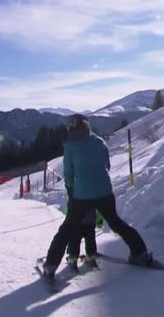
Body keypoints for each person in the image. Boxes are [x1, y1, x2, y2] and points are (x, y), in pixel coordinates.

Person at [42, 114, 152, 279]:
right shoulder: (99, 142)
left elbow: (69, 175)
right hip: (104, 192)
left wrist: (72, 192)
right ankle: (140, 253)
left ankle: (50, 265)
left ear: (71, 129)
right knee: (116, 223)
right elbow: (107, 165)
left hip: (81, 195)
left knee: (67, 229)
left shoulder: (70, 147)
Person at [64, 206, 98, 271]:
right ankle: (91, 257)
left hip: (77, 220)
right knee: (90, 238)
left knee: (75, 239)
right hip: (91, 219)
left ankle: (73, 259)